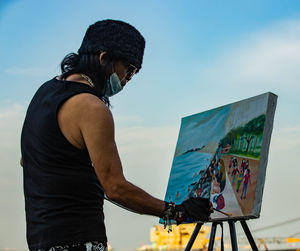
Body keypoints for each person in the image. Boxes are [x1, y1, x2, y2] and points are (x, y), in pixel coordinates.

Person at [20, 20, 213, 251]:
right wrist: (177, 211)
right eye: (128, 70)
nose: (127, 80)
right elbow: (115, 187)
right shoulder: (91, 107)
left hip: (41, 240)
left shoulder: (44, 94)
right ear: (104, 58)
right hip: (78, 241)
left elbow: (28, 160)